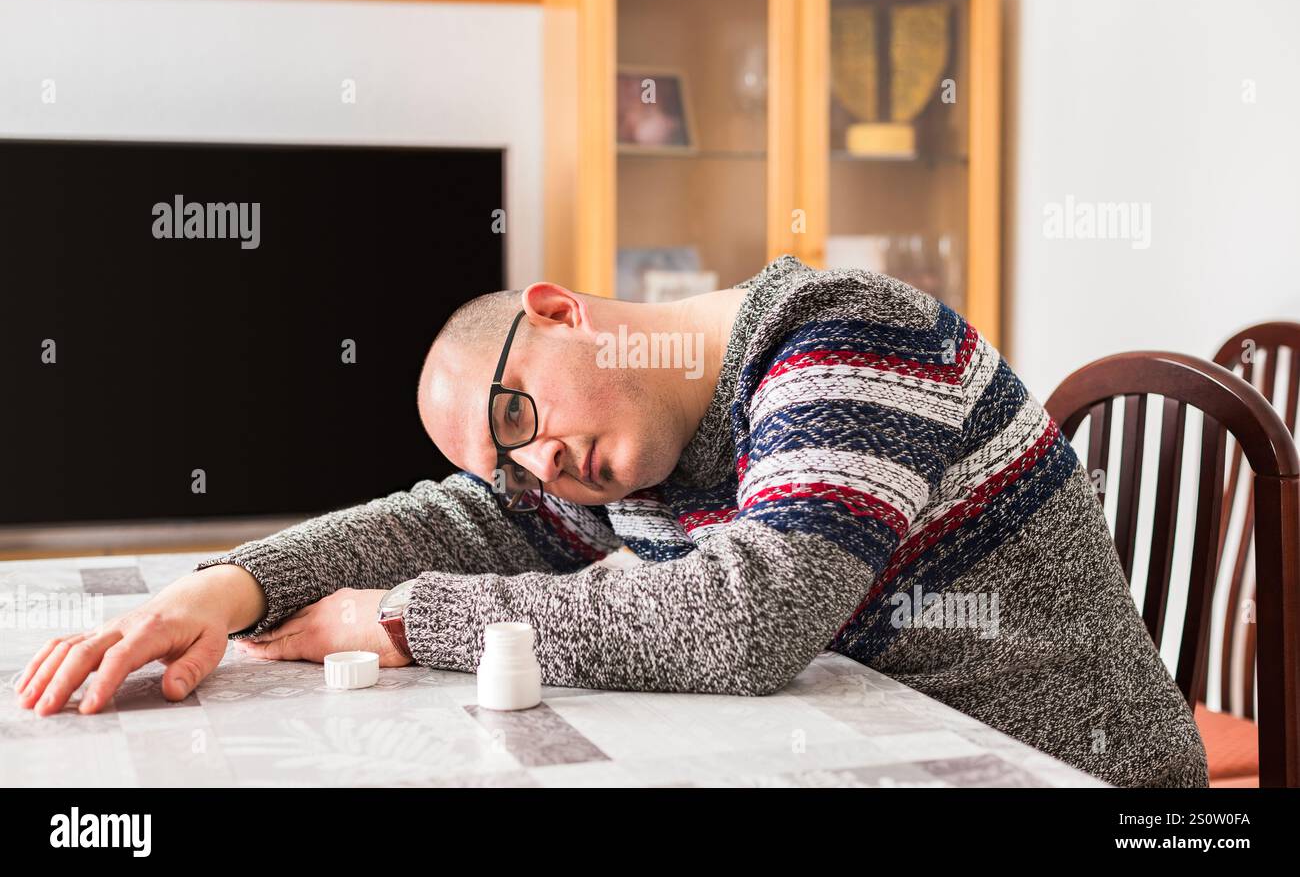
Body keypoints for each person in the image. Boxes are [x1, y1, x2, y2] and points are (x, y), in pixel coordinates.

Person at [13, 255, 1208, 787]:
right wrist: (226, 590)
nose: (544, 466)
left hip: (1073, 772)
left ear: (559, 310)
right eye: (516, 461)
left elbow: (745, 618)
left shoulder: (846, 333)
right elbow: (456, 516)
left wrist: (400, 619)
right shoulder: (623, 459)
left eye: (521, 414)